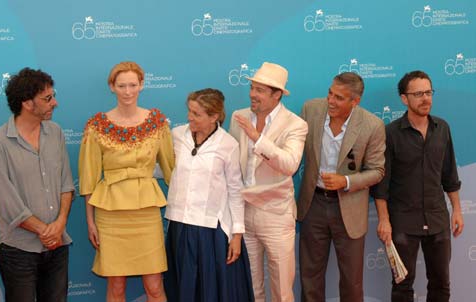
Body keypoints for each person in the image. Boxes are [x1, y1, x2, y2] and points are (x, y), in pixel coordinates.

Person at [78, 61, 174, 302]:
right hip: (111, 216)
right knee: (116, 287)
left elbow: (172, 171)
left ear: (142, 85)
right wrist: (90, 221)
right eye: (122, 85)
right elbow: (88, 178)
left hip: (146, 214)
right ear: (112, 87)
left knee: (154, 286)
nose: (128, 91)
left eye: (133, 85)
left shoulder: (157, 123)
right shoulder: (97, 126)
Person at [0, 67, 75, 302]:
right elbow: (7, 204)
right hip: (18, 251)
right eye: (47, 98)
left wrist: (59, 225)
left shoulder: (55, 133)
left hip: (57, 247)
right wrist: (45, 231)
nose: (55, 103)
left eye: (53, 96)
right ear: (26, 103)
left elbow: (66, 184)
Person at [372, 70, 464, 302]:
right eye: (419, 94)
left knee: (441, 284)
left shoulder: (442, 128)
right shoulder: (391, 133)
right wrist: (383, 220)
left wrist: (458, 210)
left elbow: (449, 174)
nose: (426, 99)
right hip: (403, 221)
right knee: (402, 285)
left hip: (438, 219)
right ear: (405, 99)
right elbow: (382, 182)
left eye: (429, 92)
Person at [298, 72, 386, 302]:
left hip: (350, 208)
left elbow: (377, 171)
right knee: (310, 276)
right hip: (313, 204)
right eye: (330, 93)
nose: (331, 101)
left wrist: (345, 181)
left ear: (355, 102)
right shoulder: (311, 110)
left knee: (352, 281)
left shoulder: (372, 125)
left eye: (339, 97)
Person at [164, 88, 254, 302]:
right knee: (181, 289)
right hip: (179, 225)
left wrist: (237, 234)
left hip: (211, 231)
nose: (189, 117)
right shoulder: (176, 135)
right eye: (189, 111)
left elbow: (235, 192)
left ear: (214, 117)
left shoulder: (228, 145)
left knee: (210, 292)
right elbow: (162, 167)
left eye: (196, 114)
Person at [229, 62, 308, 302]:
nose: (253, 94)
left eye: (260, 90)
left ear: (277, 95)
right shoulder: (238, 117)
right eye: (252, 88)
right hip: (244, 214)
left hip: (276, 215)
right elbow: (231, 163)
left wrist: (257, 138)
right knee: (251, 287)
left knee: (282, 289)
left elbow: (289, 164)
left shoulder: (295, 124)